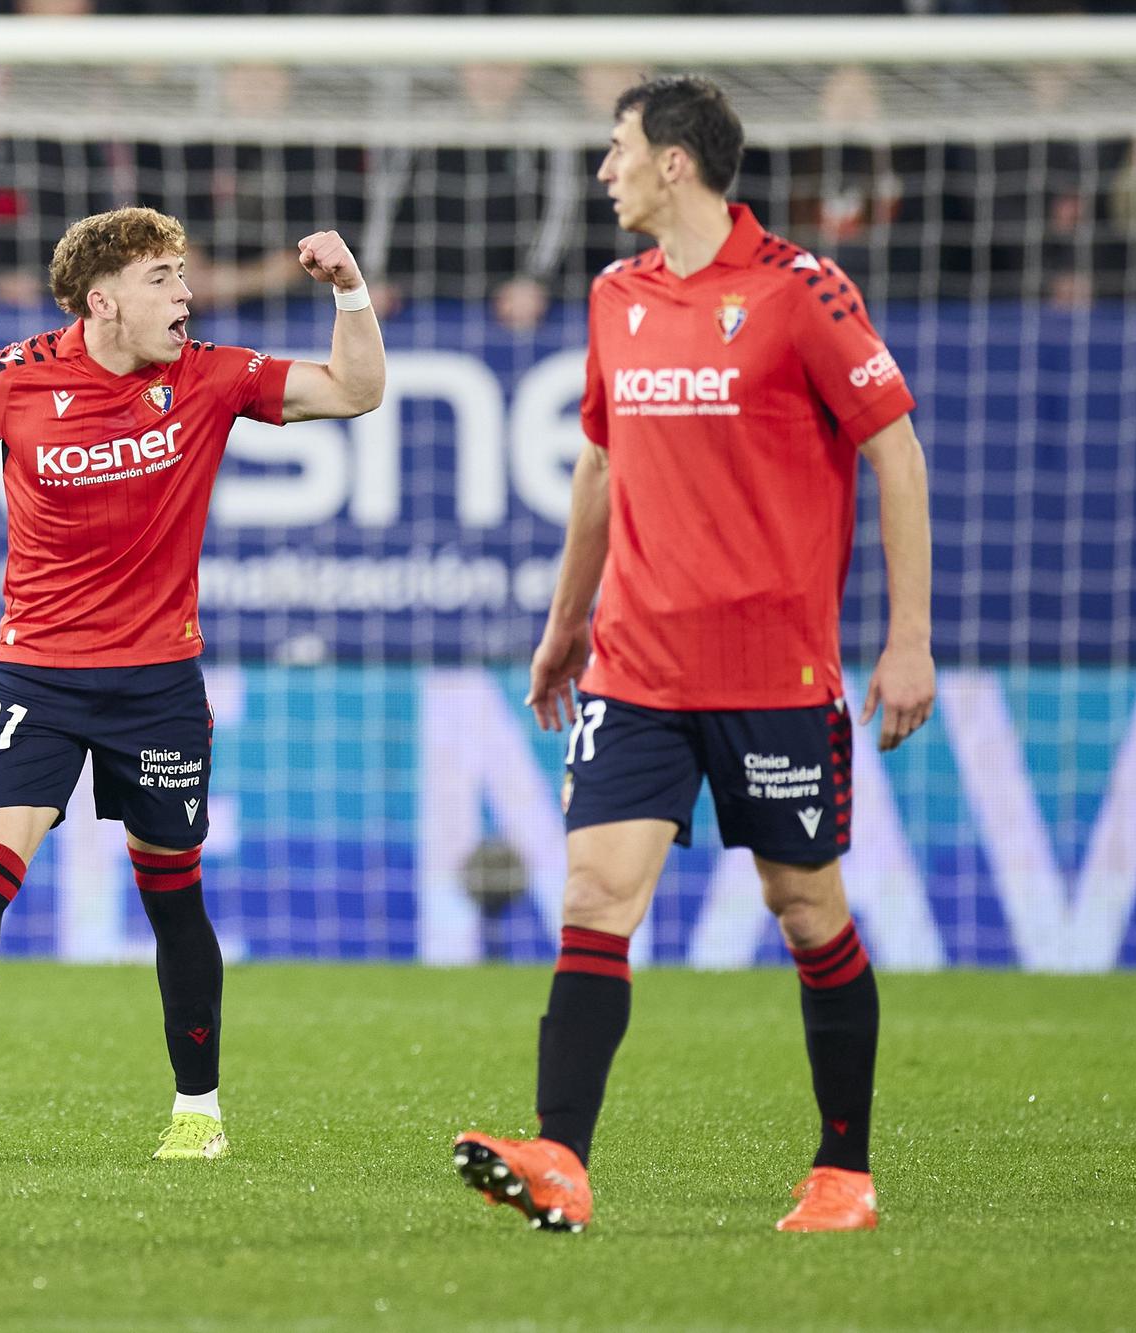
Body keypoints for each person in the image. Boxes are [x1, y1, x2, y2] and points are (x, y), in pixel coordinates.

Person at [451, 76, 935, 1235]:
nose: (602, 169)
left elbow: (896, 452)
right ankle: (559, 1159)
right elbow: (601, 470)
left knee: (802, 906)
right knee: (595, 892)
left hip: (774, 674)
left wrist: (906, 638)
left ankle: (841, 1175)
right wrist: (565, 623)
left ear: (675, 163)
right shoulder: (613, 295)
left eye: (616, 149)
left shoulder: (799, 292)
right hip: (634, 667)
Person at [0, 205, 384, 1161]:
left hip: (158, 683)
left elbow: (354, 391)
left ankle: (198, 1113)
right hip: (35, 674)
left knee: (171, 892)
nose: (186, 292)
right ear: (103, 300)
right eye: (163, 276)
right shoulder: (14, 378)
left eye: (183, 273)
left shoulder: (210, 376)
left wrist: (351, 293)